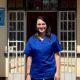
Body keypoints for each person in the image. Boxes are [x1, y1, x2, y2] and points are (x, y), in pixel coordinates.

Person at [24, 16, 62, 80]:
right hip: (35, 75)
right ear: (36, 26)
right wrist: (28, 74)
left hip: (50, 74)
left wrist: (57, 72)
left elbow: (57, 55)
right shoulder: (31, 40)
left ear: (47, 25)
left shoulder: (53, 38)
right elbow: (29, 57)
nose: (41, 26)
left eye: (43, 24)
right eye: (39, 24)